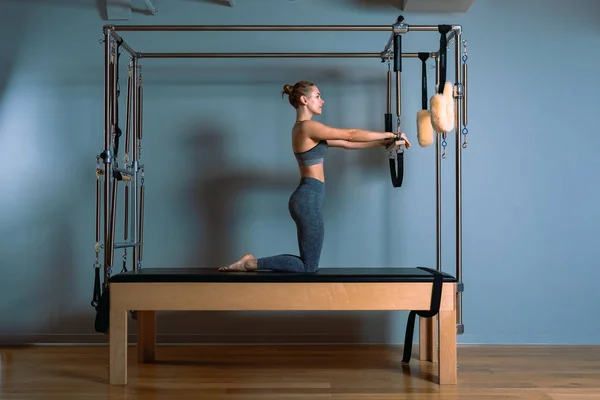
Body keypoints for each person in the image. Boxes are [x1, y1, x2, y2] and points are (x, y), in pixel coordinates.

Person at [219, 80, 410, 272]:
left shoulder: (304, 129)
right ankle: (250, 263)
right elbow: (350, 134)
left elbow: (346, 143)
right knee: (308, 266)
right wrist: (391, 134)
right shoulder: (307, 127)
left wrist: (386, 142)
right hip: (307, 199)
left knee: (308, 263)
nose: (322, 101)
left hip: (308, 198)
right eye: (318, 96)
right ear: (304, 99)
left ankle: (251, 262)